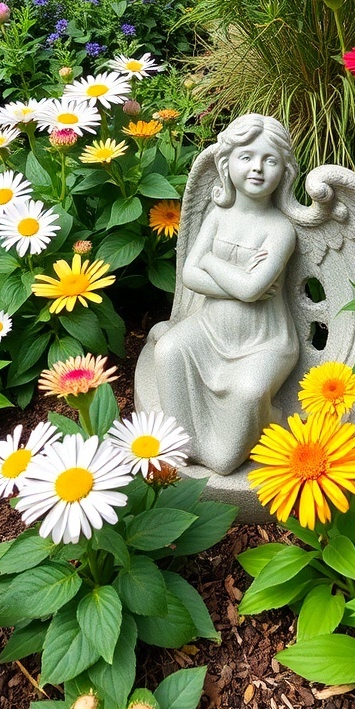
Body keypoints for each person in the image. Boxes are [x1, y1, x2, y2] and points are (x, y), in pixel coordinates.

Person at [135, 115, 300, 475]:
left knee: (245, 404)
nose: (257, 168)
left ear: (284, 172)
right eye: (246, 157)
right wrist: (239, 282)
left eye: (270, 160)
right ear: (227, 165)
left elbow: (252, 288)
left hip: (264, 340)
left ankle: (270, 418)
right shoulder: (217, 215)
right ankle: (185, 442)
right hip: (209, 329)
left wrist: (213, 262)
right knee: (170, 351)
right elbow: (192, 276)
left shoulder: (280, 229)